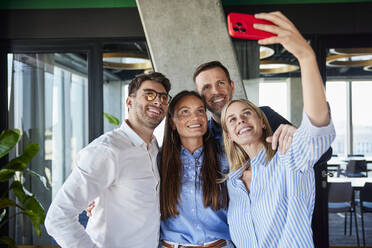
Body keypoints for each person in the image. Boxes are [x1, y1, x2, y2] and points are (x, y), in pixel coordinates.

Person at [220, 12, 336, 248]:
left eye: (246, 113)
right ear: (229, 137)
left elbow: (317, 127)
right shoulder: (232, 182)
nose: (240, 120)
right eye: (231, 120)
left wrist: (305, 56)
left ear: (263, 122)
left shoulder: (289, 157)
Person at [45, 72, 171, 248]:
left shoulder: (154, 147)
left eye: (164, 98)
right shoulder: (108, 150)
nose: (158, 102)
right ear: (129, 102)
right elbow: (58, 217)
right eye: (149, 95)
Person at [159, 90, 234, 248]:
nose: (195, 117)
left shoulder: (226, 156)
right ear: (172, 122)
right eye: (185, 111)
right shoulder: (158, 161)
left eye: (200, 111)